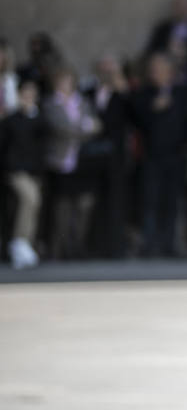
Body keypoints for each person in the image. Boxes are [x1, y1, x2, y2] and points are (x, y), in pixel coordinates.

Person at [132, 52, 187, 257]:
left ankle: (169, 245)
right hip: (152, 156)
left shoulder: (181, 92)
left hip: (176, 155)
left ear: (169, 71)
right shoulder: (145, 93)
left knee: (172, 202)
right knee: (151, 201)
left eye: (159, 69)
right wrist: (153, 109)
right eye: (153, 70)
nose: (155, 73)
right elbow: (137, 120)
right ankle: (149, 245)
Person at [43, 68, 102, 260]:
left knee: (83, 204)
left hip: (82, 162)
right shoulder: (51, 103)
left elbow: (97, 126)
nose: (66, 85)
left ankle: (77, 245)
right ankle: (58, 248)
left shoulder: (82, 101)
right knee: (62, 207)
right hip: (60, 161)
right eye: (62, 81)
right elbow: (59, 128)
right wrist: (83, 129)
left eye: (68, 81)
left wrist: (81, 129)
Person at [82, 53, 135, 259]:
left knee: (116, 202)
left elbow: (137, 119)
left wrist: (125, 92)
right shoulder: (88, 91)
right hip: (92, 155)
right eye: (103, 69)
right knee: (93, 201)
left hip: (116, 156)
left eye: (111, 70)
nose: (107, 73)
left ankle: (116, 247)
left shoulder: (124, 94)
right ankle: (94, 246)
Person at [1, 78, 47, 268]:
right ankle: (19, 241)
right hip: (16, 170)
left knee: (33, 205)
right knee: (31, 199)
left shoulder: (40, 118)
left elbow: (43, 140)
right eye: (25, 93)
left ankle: (25, 242)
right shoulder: (12, 120)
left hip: (34, 170)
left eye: (32, 93)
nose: (28, 97)